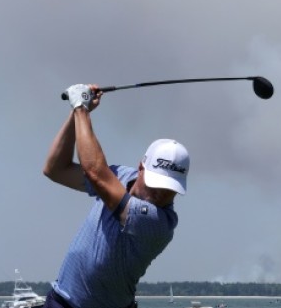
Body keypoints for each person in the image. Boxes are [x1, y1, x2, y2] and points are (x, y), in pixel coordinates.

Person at [43, 83, 190, 308]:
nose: (160, 194)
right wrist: (77, 113)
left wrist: (81, 108)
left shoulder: (158, 223)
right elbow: (56, 169)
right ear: (141, 167)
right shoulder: (120, 176)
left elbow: (95, 173)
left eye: (169, 189)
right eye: (156, 183)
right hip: (61, 301)